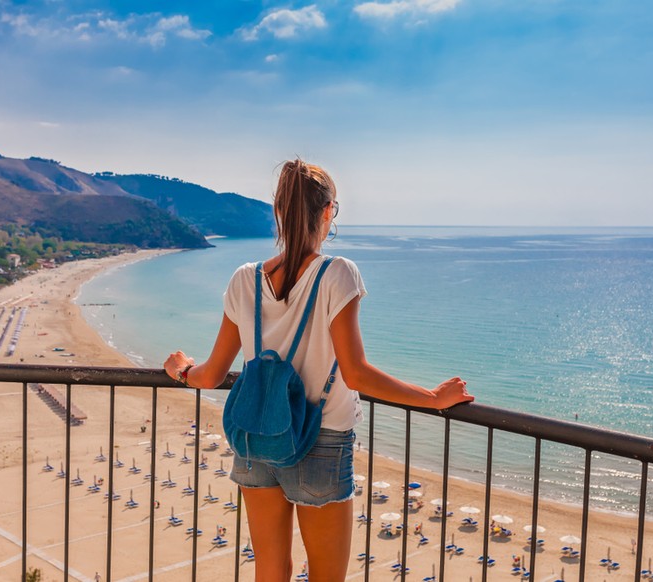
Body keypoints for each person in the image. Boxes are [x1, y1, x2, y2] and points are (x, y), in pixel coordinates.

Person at [164, 159, 473, 582]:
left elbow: (213, 375)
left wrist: (182, 370)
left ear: (278, 210)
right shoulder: (337, 274)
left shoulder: (243, 279)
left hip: (255, 439)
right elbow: (357, 374)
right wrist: (434, 400)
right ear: (328, 211)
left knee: (270, 572)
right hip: (321, 441)